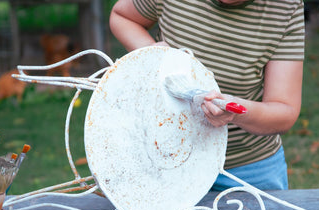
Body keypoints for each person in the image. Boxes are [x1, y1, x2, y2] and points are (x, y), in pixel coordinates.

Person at [109, 0, 305, 190]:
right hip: (162, 157)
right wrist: (153, 56)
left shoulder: (286, 6)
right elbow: (123, 16)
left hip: (246, 169)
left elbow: (284, 110)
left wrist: (237, 111)